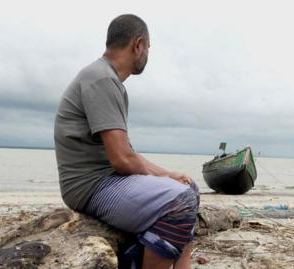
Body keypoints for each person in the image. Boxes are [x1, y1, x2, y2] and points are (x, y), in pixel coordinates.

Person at [54, 14, 199, 269]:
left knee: (188, 188)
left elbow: (127, 153)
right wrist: (161, 180)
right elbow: (121, 159)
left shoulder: (108, 79)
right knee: (180, 202)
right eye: (149, 49)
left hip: (107, 178)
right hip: (90, 187)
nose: (147, 55)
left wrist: (167, 174)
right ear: (138, 44)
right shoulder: (101, 79)